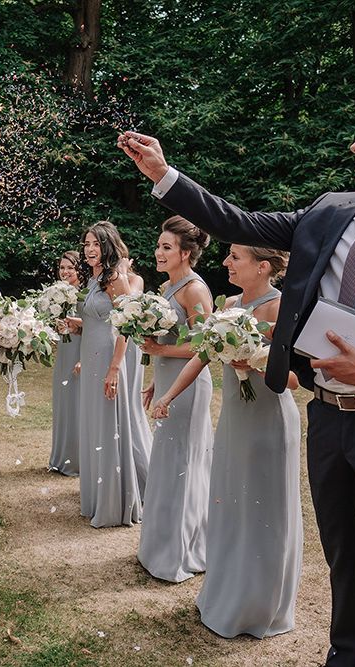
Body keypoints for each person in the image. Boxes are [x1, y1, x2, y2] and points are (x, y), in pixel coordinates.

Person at [118, 101, 355, 665]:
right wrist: (165, 176)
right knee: (345, 552)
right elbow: (238, 222)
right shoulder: (333, 210)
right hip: (328, 415)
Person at [152, 245, 303, 638]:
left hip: (269, 422)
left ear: (263, 266)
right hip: (235, 420)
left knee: (264, 508)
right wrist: (167, 396)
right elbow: (200, 355)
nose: (226, 263)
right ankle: (228, 590)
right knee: (232, 502)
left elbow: (293, 380)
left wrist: (252, 356)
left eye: (235, 257)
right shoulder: (230, 305)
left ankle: (260, 604)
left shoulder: (281, 308)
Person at [136, 216, 213, 583]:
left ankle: (182, 551)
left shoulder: (194, 290)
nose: (159, 252)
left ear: (186, 253)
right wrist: (155, 377)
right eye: (159, 245)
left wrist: (156, 350)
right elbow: (168, 344)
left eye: (167, 247)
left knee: (184, 465)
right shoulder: (168, 286)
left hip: (190, 387)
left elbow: (205, 348)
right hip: (168, 380)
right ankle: (161, 545)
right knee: (167, 463)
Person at [68, 221, 142, 528]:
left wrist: (114, 369)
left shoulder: (114, 278)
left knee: (109, 422)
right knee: (94, 422)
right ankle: (97, 494)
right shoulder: (93, 279)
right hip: (90, 351)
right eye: (86, 244)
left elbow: (126, 326)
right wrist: (77, 324)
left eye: (95, 244)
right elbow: (97, 319)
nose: (89, 250)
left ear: (107, 246)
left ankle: (114, 502)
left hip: (110, 356)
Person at [116, 243, 152, 498]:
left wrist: (122, 273)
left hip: (130, 346)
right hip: (115, 343)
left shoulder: (135, 280)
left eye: (123, 259)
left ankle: (144, 477)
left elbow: (130, 302)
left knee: (129, 406)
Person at [49, 250, 82, 476]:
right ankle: (60, 457)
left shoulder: (87, 294)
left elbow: (95, 329)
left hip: (81, 349)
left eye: (70, 267)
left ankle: (78, 460)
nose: (65, 272)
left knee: (77, 403)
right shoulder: (58, 293)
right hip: (64, 349)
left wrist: (83, 359)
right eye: (62, 268)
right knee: (63, 401)